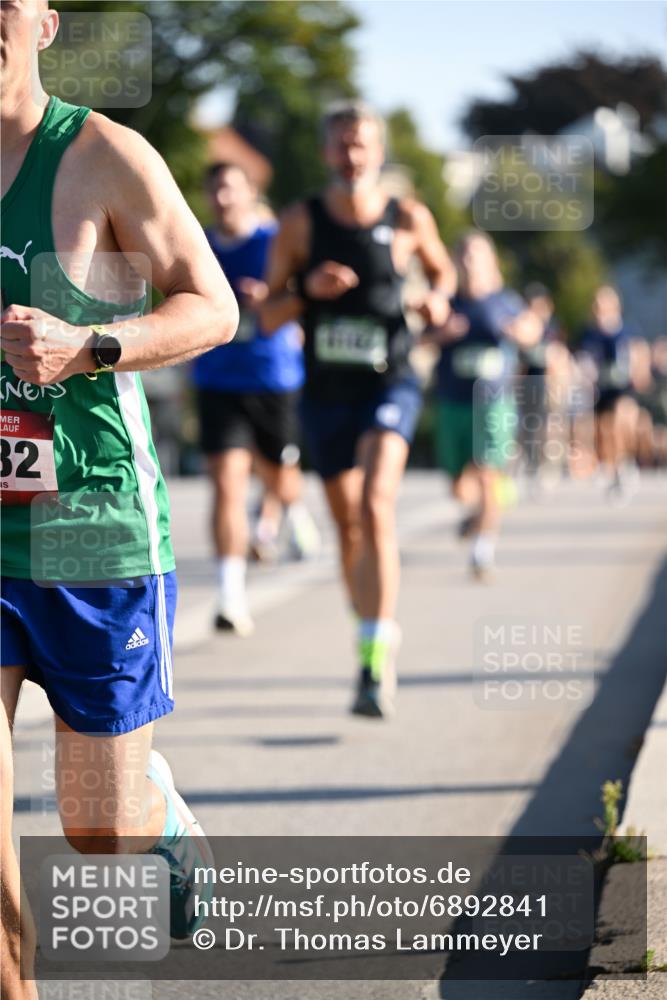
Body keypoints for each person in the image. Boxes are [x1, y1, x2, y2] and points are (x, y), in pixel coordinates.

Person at [0, 2, 238, 995]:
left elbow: (212, 305)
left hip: (92, 527)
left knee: (99, 829)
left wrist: (87, 344)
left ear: (45, 25)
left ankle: (161, 820)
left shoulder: (101, 155)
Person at [261, 101, 456, 718]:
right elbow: (265, 314)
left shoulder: (408, 216)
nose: (352, 155)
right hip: (325, 393)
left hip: (389, 381)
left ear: (378, 151)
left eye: (362, 144)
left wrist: (438, 305)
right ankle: (368, 632)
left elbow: (443, 276)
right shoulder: (299, 223)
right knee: (347, 525)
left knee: (376, 503)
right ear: (326, 153)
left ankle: (376, 655)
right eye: (342, 144)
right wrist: (305, 291)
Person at [193, 162, 320, 636]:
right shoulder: (198, 243)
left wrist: (268, 296)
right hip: (218, 379)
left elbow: (303, 294)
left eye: (231, 188)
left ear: (250, 192)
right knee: (227, 483)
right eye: (215, 189)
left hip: (273, 377)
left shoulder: (273, 240)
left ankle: (295, 508)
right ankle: (230, 595)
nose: (223, 198)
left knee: (279, 474)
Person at [427, 231, 541, 580]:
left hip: (493, 402)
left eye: (477, 255)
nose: (470, 262)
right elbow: (419, 340)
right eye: (464, 255)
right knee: (458, 484)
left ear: (491, 262)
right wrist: (441, 334)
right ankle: (476, 516)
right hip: (452, 402)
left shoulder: (504, 301)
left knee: (487, 472)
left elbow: (533, 330)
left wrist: (520, 332)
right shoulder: (447, 303)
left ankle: (482, 551)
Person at [576, 285, 639, 499]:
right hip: (600, 388)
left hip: (623, 387)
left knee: (620, 422)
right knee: (604, 430)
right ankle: (612, 467)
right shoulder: (588, 333)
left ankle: (625, 463)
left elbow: (637, 352)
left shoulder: (625, 330)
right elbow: (583, 359)